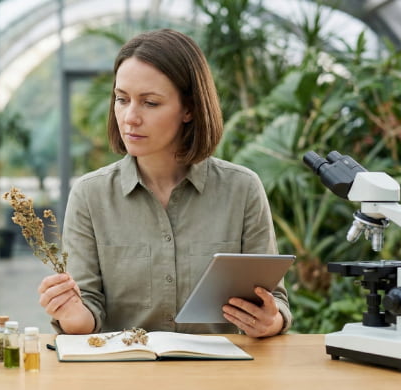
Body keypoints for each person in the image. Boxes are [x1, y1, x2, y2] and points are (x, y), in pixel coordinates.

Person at [37, 28, 291, 338]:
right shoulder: (90, 196)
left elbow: (273, 301)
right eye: (121, 99)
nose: (130, 117)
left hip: (219, 376)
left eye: (150, 103)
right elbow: (87, 310)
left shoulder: (242, 190)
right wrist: (73, 314)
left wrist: (270, 321)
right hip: (124, 375)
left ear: (189, 109)